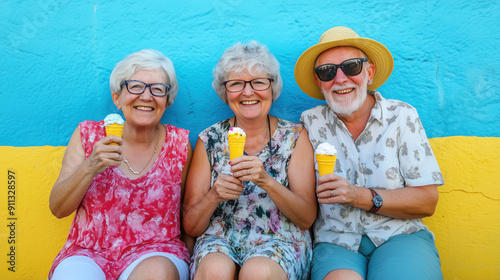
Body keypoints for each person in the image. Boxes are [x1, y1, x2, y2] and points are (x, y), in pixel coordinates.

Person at [295, 26, 445, 280]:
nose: (340, 79)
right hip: (336, 242)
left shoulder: (401, 116)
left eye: (351, 66)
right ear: (320, 83)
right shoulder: (309, 123)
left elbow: (427, 201)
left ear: (370, 72)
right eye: (328, 71)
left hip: (399, 236)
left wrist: (358, 196)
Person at [48, 49, 193, 280]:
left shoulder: (179, 144)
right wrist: (90, 166)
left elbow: (187, 216)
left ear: (167, 101)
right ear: (117, 98)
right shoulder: (88, 135)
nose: (146, 96)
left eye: (157, 89)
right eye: (135, 86)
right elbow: (58, 209)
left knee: (156, 273)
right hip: (88, 252)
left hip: (157, 251)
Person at [182, 41, 317, 280]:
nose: (248, 92)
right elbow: (191, 227)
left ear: (272, 87)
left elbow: (306, 218)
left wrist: (266, 181)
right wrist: (214, 195)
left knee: (258, 273)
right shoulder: (209, 140)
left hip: (281, 240)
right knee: (214, 271)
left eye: (258, 82)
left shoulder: (295, 137)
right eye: (236, 84)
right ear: (225, 92)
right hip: (219, 239)